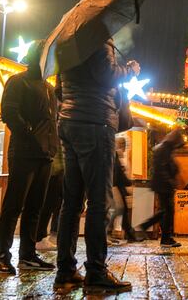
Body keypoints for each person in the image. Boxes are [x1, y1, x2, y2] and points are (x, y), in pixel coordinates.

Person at [54, 39, 140, 294]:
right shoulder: (99, 39)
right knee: (98, 202)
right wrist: (131, 70)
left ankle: (65, 270)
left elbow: (59, 89)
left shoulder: (66, 44)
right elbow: (107, 75)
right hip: (96, 122)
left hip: (69, 122)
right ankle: (96, 271)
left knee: (71, 202)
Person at [0, 43, 59, 275]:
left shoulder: (49, 88)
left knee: (35, 208)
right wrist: (31, 135)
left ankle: (28, 255)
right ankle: (2, 256)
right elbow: (9, 113)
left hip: (45, 156)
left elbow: (53, 121)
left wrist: (51, 147)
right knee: (14, 206)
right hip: (24, 152)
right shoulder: (17, 81)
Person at [139, 129, 185, 247]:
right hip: (164, 185)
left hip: (163, 184)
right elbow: (162, 168)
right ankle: (165, 238)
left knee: (166, 210)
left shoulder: (166, 148)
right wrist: (170, 181)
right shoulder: (165, 149)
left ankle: (162, 236)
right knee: (168, 211)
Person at [108, 138, 139, 244]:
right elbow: (118, 173)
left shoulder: (118, 154)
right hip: (115, 186)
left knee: (122, 209)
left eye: (124, 144)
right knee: (119, 209)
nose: (124, 146)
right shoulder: (116, 154)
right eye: (122, 143)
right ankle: (108, 231)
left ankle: (129, 234)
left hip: (118, 186)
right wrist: (129, 182)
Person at [36, 145, 64, 251]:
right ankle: (40, 238)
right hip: (52, 170)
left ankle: (49, 236)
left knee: (56, 205)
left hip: (58, 170)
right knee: (47, 205)